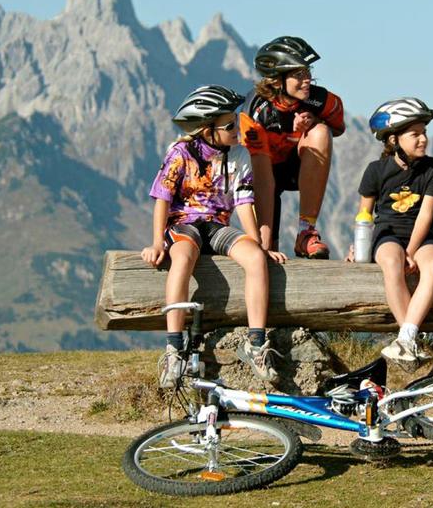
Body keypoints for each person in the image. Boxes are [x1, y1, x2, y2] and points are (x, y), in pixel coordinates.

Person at [141, 85, 278, 387]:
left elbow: (244, 203)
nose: (238, 129)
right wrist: (155, 242)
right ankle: (174, 348)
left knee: (255, 258)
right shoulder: (180, 152)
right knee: (184, 258)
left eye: (237, 121)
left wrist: (258, 244)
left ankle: (256, 344)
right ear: (207, 130)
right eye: (230, 126)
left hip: (217, 224)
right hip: (184, 222)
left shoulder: (240, 155)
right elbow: (162, 197)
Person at [353, 98, 433, 370]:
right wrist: (356, 246)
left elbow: (426, 214)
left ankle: (406, 337)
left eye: (424, 132)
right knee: (392, 262)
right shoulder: (375, 170)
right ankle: (413, 342)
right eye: (415, 134)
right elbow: (364, 215)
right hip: (387, 234)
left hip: (421, 235)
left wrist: (412, 250)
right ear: (394, 140)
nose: (423, 139)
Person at [239, 36, 345, 261]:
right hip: (263, 173)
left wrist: (314, 121)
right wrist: (264, 244)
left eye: (308, 71)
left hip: (296, 168)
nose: (307, 80)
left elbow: (339, 128)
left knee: (320, 132)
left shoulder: (320, 99)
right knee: (266, 250)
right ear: (277, 81)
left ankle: (306, 233)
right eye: (298, 75)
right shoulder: (255, 112)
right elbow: (263, 178)